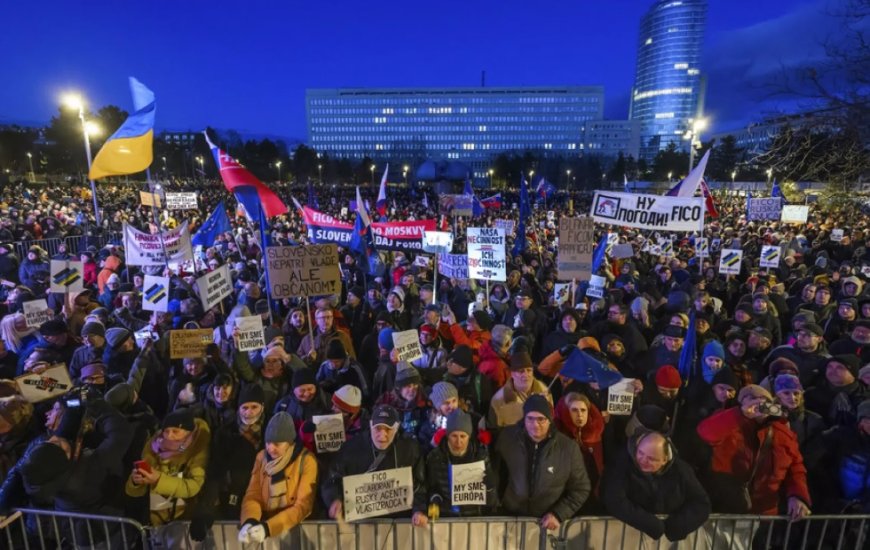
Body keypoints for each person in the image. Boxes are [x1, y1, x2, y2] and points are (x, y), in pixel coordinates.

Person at [697, 385, 811, 519]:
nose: (759, 403)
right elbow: (706, 433)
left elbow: (795, 468)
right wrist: (741, 414)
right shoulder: (729, 421)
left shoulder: (783, 433)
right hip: (725, 510)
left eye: (764, 399)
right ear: (741, 403)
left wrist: (797, 496)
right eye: (751, 399)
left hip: (764, 514)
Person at [495, 394, 590, 531]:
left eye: (541, 419)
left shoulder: (568, 448)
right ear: (524, 418)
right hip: (510, 518)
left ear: (549, 420)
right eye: (530, 419)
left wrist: (558, 514)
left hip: (546, 523)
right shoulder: (507, 439)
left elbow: (581, 488)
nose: (535, 425)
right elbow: (495, 471)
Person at [320, 404, 427, 524]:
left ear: (396, 428)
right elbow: (332, 479)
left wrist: (419, 510)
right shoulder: (351, 448)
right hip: (361, 523)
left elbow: (419, 485)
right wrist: (334, 500)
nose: (382, 435)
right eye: (377, 428)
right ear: (370, 426)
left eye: (388, 429)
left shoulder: (410, 449)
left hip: (399, 523)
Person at [602, 430, 711, 541]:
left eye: (651, 458)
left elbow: (701, 504)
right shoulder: (621, 464)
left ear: (664, 460)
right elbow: (614, 500)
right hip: (624, 537)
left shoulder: (681, 470)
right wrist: (651, 524)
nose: (643, 460)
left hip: (668, 543)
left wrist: (676, 526)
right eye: (640, 453)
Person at [238, 412, 317, 544]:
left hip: (296, 531)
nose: (270, 448)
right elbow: (253, 495)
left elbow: (303, 505)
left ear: (289, 442)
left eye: (277, 444)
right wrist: (249, 521)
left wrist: (268, 528)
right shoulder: (261, 457)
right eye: (268, 442)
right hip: (263, 531)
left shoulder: (307, 460)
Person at [125, 408, 211, 525]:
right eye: (166, 431)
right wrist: (136, 482)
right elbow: (137, 492)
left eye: (175, 431)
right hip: (155, 521)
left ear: (188, 432)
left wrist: (158, 479)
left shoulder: (197, 451)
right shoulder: (153, 448)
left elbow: (194, 486)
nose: (169, 436)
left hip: (184, 522)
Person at [425, 409, 496, 517]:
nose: (458, 442)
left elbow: (491, 501)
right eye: (454, 436)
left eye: (463, 436)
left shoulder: (480, 456)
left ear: (469, 436)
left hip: (473, 517)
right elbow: (431, 487)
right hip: (446, 517)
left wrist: (490, 488)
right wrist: (435, 500)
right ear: (448, 435)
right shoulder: (435, 457)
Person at [487, 351, 552, 430]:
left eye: (529, 370)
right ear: (512, 374)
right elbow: (494, 430)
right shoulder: (499, 400)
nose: (525, 375)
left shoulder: (545, 392)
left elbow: (550, 421)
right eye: (521, 371)